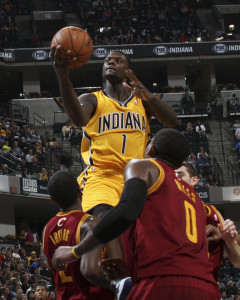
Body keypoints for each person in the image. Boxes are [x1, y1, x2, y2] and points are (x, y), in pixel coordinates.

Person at [51, 48, 177, 283]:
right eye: (107, 61)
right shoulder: (92, 99)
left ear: (128, 70)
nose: (110, 63)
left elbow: (172, 121)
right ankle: (122, 283)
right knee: (106, 219)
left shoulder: (141, 101)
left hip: (134, 179)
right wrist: (63, 77)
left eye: (117, 61)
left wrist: (148, 94)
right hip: (101, 176)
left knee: (142, 237)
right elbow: (78, 119)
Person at [52, 128, 221, 300]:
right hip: (206, 287)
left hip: (162, 282)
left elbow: (126, 211)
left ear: (151, 149)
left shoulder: (144, 166)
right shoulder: (196, 200)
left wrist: (75, 251)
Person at [42, 170, 114, 299]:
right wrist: (117, 283)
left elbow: (51, 267)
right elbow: (92, 272)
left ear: (52, 200)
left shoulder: (46, 229)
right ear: (80, 191)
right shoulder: (91, 224)